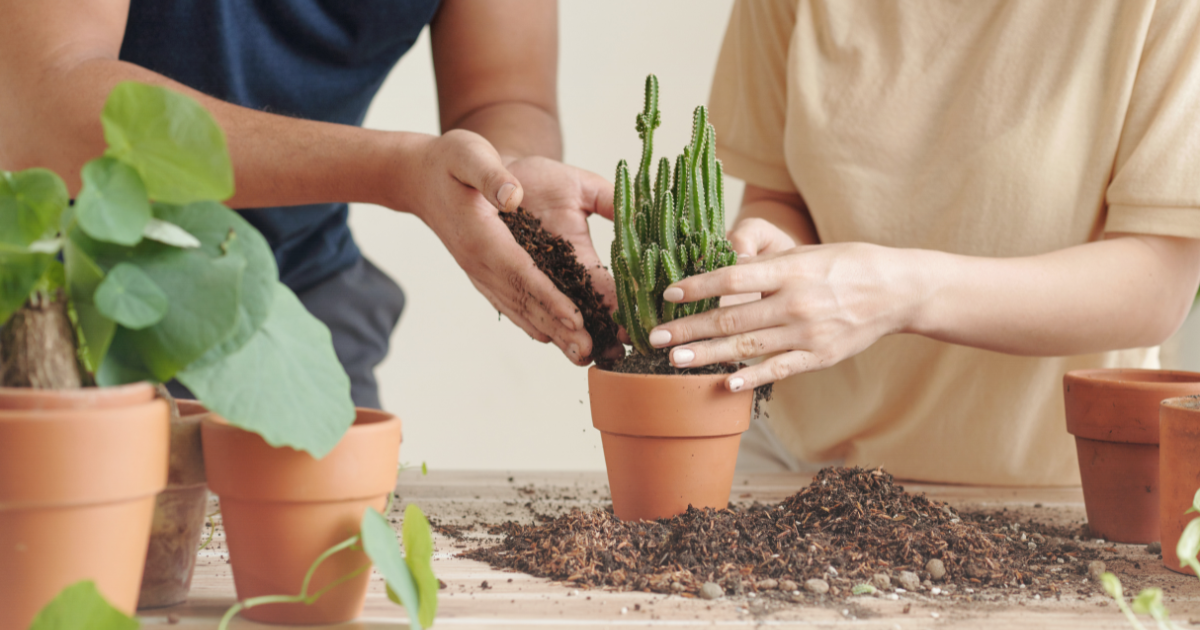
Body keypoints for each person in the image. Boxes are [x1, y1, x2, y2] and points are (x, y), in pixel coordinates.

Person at [646, 0, 1200, 485]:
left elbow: (1158, 282)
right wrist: (764, 258)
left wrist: (902, 293)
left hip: (1062, 484)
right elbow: (777, 196)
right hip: (798, 461)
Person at [0, 0, 615, 409]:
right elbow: (46, 102)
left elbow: (505, 93)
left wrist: (507, 179)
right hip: (49, 292)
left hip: (294, 296)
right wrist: (396, 171)